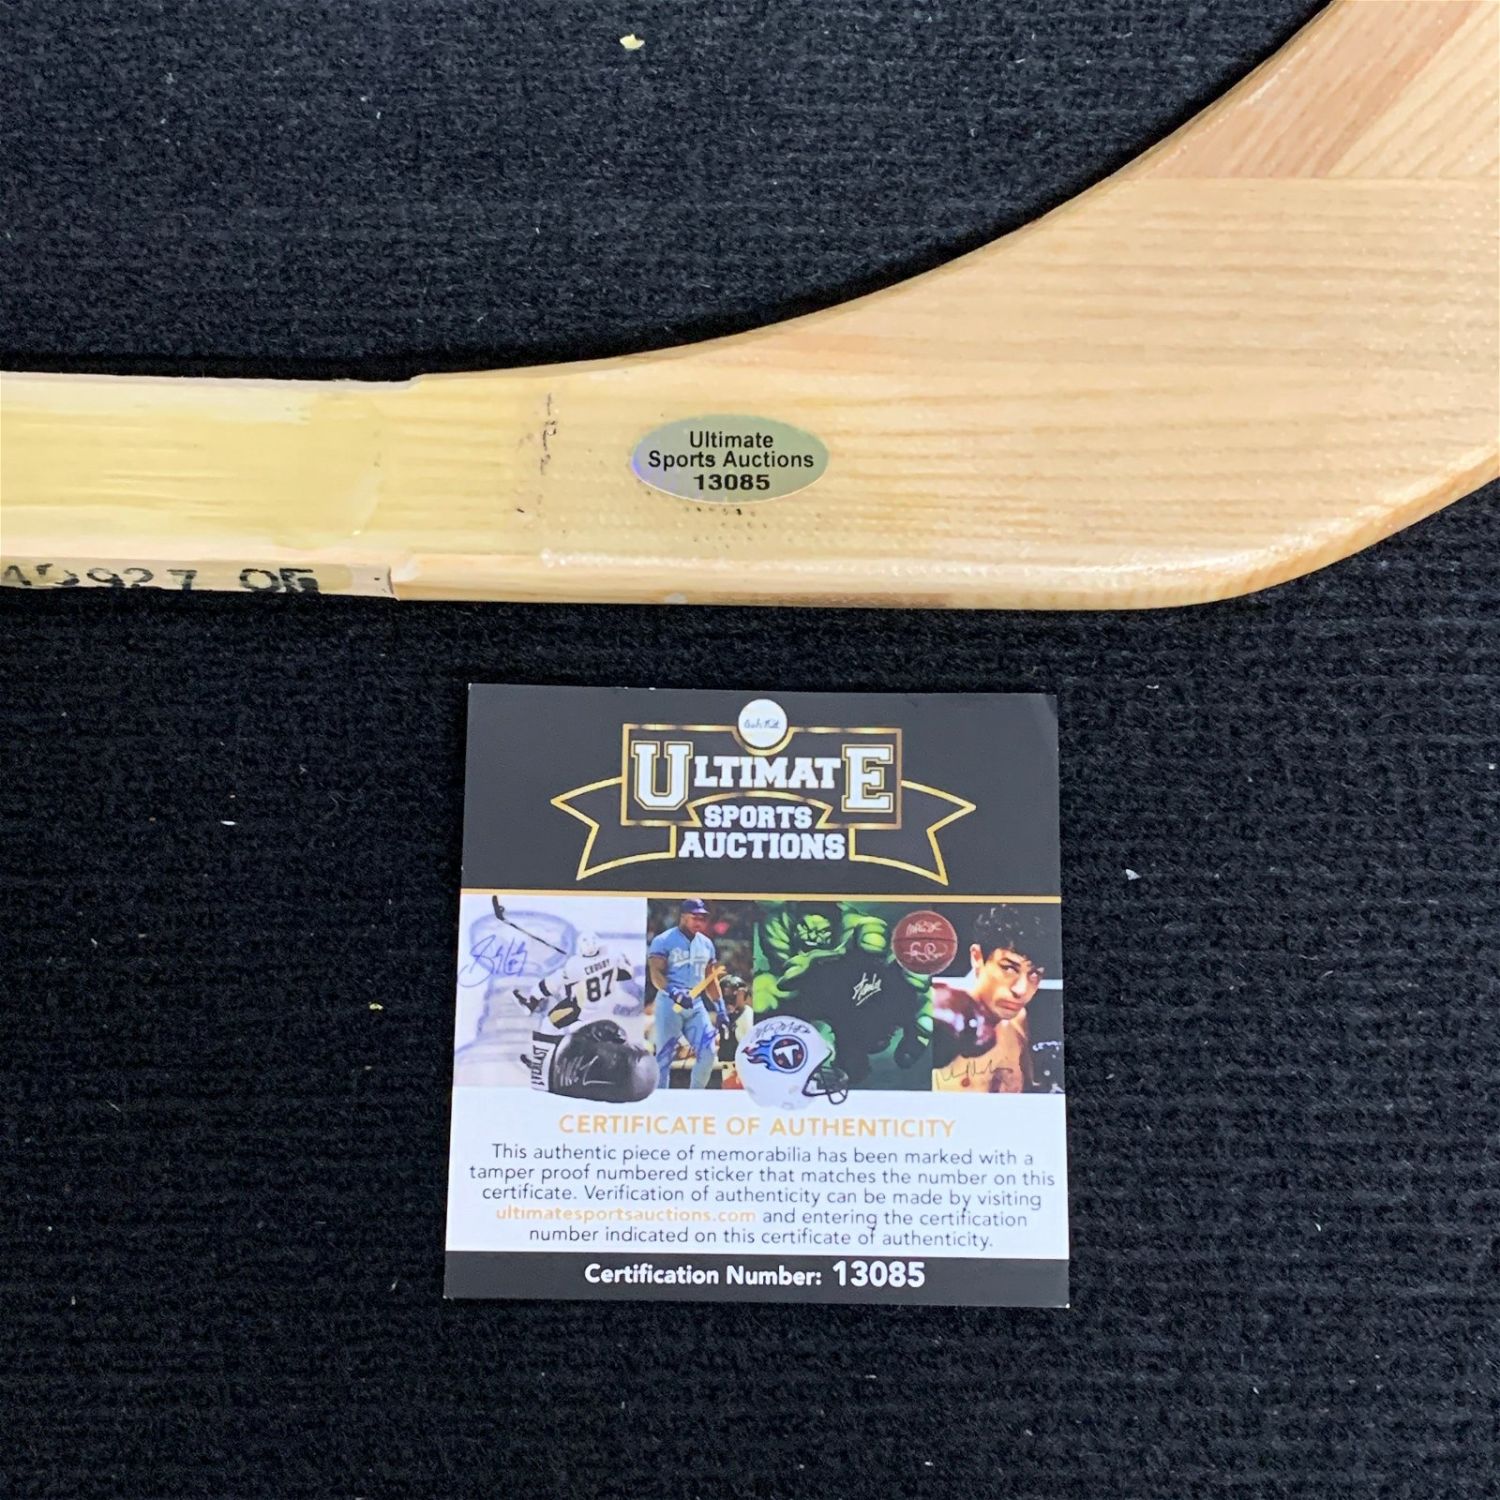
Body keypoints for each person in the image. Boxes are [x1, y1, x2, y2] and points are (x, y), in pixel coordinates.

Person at [930, 907, 1054, 1094]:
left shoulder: (1018, 1018)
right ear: (977, 957)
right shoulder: (940, 1018)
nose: (1021, 990)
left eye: (1035, 974)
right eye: (1009, 968)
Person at [648, 898, 723, 1089]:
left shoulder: (706, 944)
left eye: (702, 918)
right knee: (665, 1056)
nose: (699, 921)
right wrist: (673, 992)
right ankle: (660, 1099)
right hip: (669, 1003)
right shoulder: (664, 940)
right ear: (683, 916)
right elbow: (655, 974)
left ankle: (695, 1096)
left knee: (708, 1051)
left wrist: (720, 1007)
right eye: (695, 917)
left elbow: (710, 978)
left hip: (695, 1003)